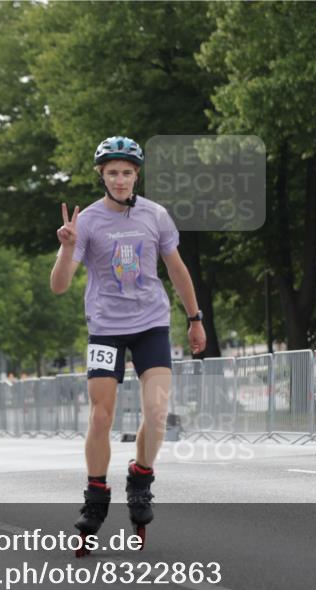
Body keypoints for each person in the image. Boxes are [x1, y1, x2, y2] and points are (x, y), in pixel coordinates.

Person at [50, 136, 206, 552]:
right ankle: (96, 496)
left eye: (126, 172)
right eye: (112, 173)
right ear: (101, 176)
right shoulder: (87, 222)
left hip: (151, 324)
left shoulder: (156, 215)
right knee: (102, 417)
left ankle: (140, 477)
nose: (119, 179)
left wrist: (195, 318)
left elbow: (177, 269)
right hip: (106, 327)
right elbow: (59, 285)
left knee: (157, 413)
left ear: (137, 175)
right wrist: (67, 248)